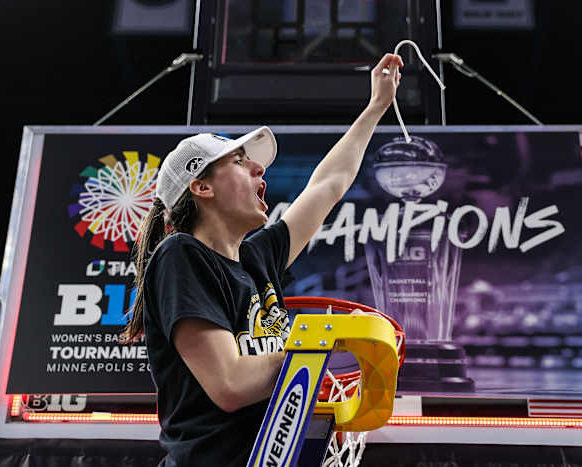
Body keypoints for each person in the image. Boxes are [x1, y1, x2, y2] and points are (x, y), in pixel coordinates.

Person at [121, 53, 403, 467]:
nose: (258, 169)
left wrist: (376, 106)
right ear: (201, 186)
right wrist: (317, 344)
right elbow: (230, 384)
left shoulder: (258, 259)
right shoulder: (182, 255)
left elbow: (328, 184)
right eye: (239, 161)